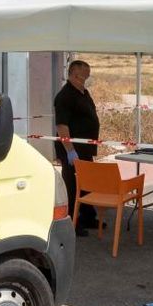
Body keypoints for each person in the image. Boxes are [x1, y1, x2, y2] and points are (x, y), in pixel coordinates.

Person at [54, 60, 100, 236]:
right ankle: (72, 221)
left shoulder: (83, 92)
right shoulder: (65, 96)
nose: (87, 74)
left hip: (86, 148)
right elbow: (62, 126)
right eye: (84, 72)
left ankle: (88, 216)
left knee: (86, 182)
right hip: (72, 149)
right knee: (72, 185)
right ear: (74, 73)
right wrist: (69, 150)